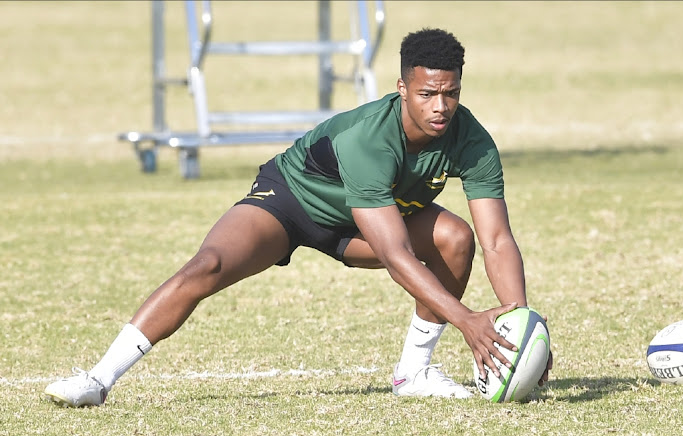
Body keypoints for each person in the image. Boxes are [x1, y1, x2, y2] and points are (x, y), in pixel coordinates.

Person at [45, 28, 551, 407]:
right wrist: (467, 321)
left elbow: (498, 240)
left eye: (451, 93)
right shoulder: (368, 139)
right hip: (292, 201)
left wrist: (520, 326)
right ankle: (98, 379)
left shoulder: (473, 140)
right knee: (209, 265)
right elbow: (395, 256)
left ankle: (413, 374)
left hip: (363, 222)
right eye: (426, 93)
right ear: (402, 86)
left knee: (455, 239)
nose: (440, 106)